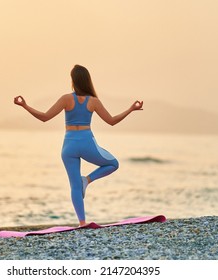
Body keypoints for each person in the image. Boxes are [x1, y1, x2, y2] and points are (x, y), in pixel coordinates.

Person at [14, 65, 143, 226]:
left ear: (73, 80)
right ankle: (87, 180)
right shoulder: (93, 101)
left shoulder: (66, 99)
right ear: (87, 80)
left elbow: (44, 117)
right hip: (87, 143)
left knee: (74, 186)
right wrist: (131, 109)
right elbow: (112, 121)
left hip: (68, 147)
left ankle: (82, 222)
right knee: (113, 164)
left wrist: (25, 106)